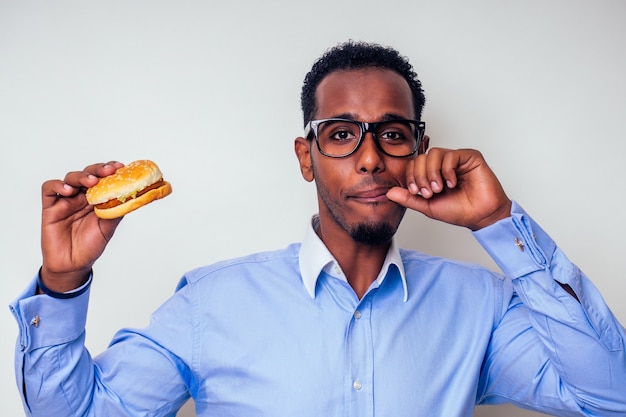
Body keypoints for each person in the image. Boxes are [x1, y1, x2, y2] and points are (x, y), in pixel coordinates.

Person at [10, 41, 626, 417]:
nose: (368, 158)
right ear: (306, 157)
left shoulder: (480, 307)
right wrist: (63, 283)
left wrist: (498, 223)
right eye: (339, 134)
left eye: (391, 133)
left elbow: (610, 396)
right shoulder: (210, 304)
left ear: (418, 149)